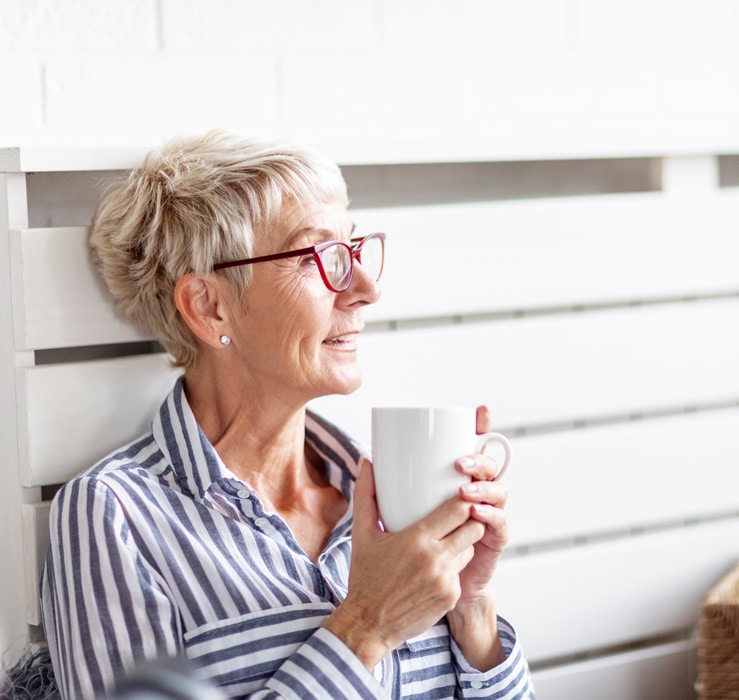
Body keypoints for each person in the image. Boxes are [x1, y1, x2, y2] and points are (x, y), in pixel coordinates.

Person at [41, 130, 535, 699]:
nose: (366, 289)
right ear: (209, 306)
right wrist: (365, 627)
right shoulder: (116, 515)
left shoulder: (388, 493)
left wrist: (470, 608)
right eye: (321, 256)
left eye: (353, 249)